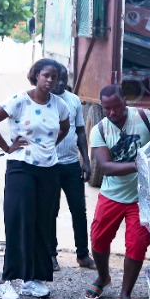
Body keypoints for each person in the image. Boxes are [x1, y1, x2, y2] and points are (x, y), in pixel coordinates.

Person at [84, 85, 150, 299]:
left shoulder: (146, 117)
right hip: (112, 195)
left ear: (125, 101)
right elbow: (106, 167)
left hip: (142, 197)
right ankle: (103, 277)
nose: (112, 112)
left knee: (137, 245)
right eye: (107, 108)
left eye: (116, 107)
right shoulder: (99, 130)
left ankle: (125, 295)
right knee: (98, 240)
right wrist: (138, 164)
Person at [0, 58, 70, 299]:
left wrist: (49, 146)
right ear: (36, 76)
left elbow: (65, 127)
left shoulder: (60, 104)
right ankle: (6, 282)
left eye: (54, 77)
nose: (50, 80)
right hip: (21, 167)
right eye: (46, 75)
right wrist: (7, 147)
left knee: (43, 223)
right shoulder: (19, 100)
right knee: (18, 221)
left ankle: (32, 280)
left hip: (49, 170)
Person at [51, 64, 95, 270]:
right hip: (49, 166)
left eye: (64, 78)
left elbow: (80, 132)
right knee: (50, 211)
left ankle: (83, 255)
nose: (60, 83)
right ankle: (50, 255)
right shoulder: (44, 101)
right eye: (56, 78)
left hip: (71, 165)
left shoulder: (74, 100)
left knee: (79, 210)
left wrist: (86, 161)